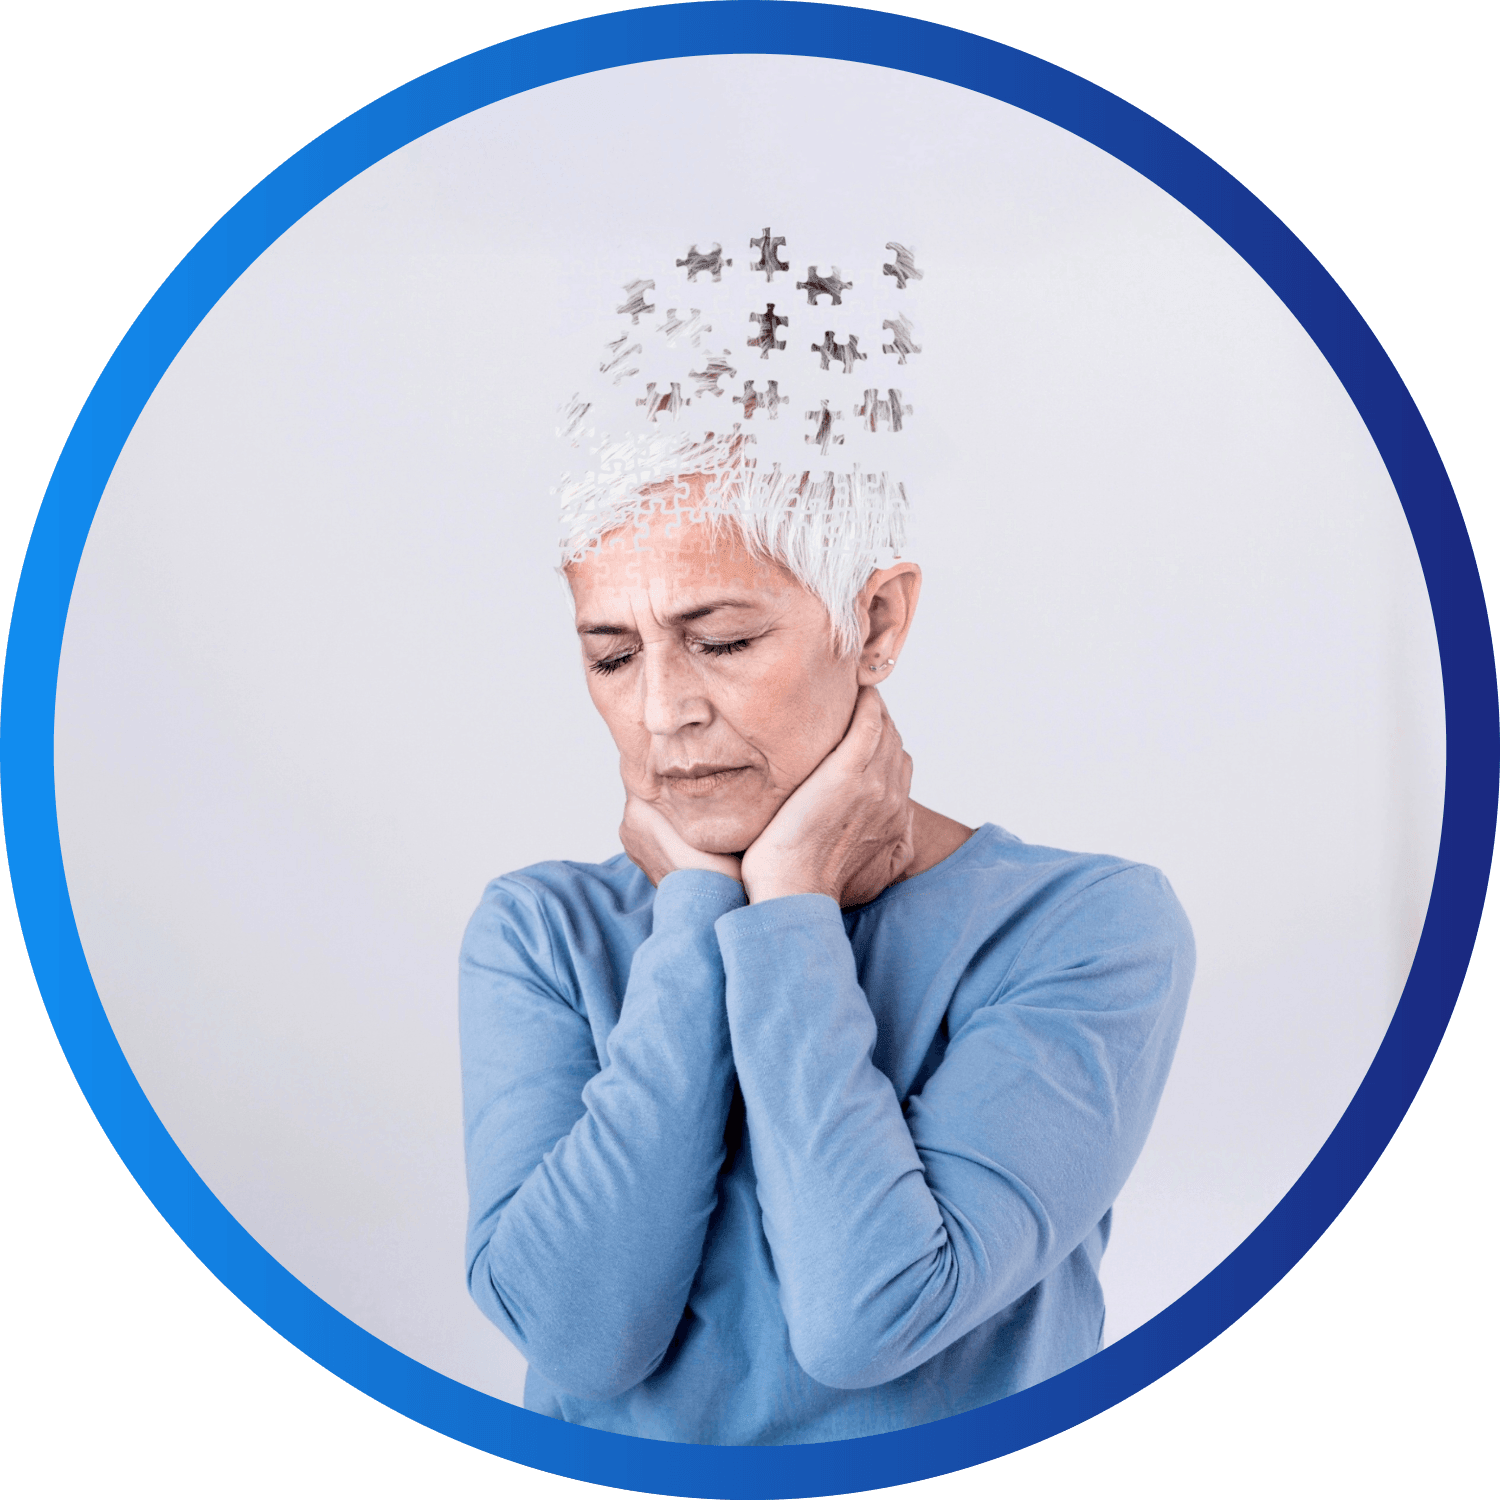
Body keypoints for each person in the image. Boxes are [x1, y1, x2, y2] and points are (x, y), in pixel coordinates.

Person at [458, 455, 1196, 1444]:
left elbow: (872, 1316)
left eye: (721, 640)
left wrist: (792, 903)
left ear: (878, 623)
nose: (661, 711)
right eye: (611, 656)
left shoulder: (1088, 925)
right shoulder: (540, 931)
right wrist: (699, 911)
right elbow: (577, 1337)